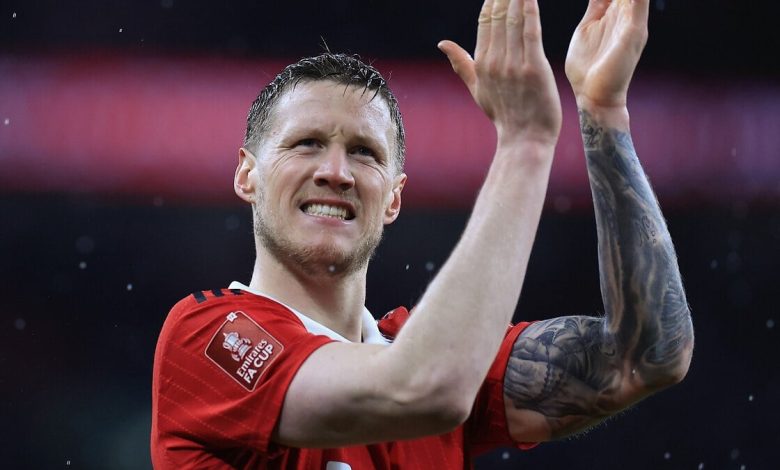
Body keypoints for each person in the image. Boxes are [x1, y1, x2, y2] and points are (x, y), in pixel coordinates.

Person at [151, 0, 695, 468]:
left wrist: (604, 114)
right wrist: (525, 144)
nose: (336, 172)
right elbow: (422, 388)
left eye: (364, 152)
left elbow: (646, 356)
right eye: (307, 143)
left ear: (394, 198)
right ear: (247, 175)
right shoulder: (205, 339)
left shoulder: (431, 350)